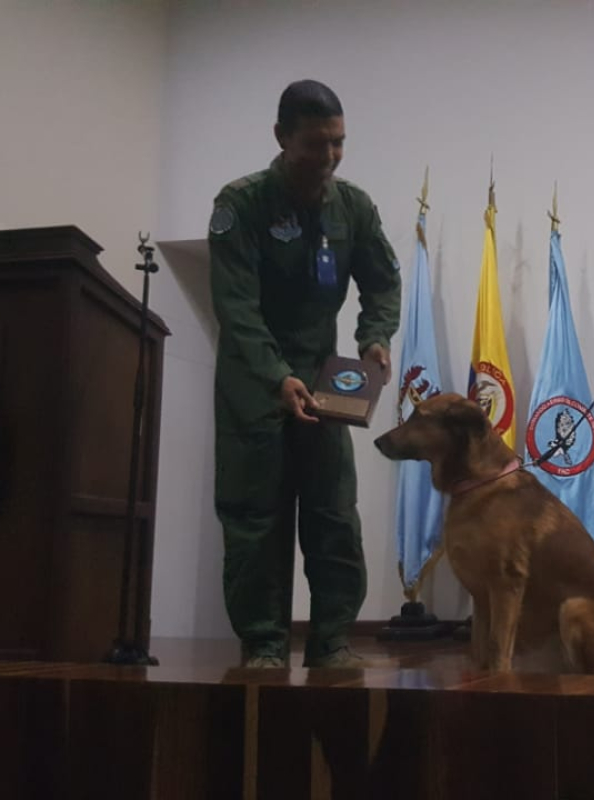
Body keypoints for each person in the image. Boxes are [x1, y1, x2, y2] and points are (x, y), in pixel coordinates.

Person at [208, 79, 401, 668]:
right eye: (316, 144)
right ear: (281, 137)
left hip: (325, 386)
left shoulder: (354, 207)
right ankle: (264, 644)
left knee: (333, 514)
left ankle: (331, 640)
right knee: (256, 521)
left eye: (338, 143)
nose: (329, 157)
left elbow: (383, 282)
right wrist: (274, 376)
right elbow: (236, 309)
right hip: (253, 388)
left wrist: (375, 337)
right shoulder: (241, 204)